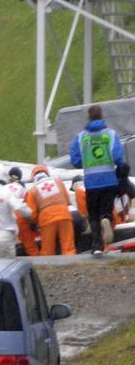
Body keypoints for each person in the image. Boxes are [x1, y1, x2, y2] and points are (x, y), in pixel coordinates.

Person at [69, 105, 124, 254]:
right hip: (109, 180)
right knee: (106, 210)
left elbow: (75, 160)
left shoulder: (81, 137)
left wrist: (86, 163)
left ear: (89, 117)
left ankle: (97, 246)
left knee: (93, 215)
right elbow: (118, 157)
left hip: (91, 182)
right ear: (102, 116)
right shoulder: (110, 135)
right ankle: (106, 218)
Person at [24, 165, 76, 256]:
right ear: (47, 173)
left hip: (47, 219)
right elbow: (67, 200)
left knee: (47, 250)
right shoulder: (58, 182)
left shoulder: (32, 190)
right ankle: (71, 266)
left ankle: (47, 268)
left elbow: (32, 213)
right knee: (68, 246)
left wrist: (34, 223)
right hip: (64, 214)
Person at [6, 166, 39, 256]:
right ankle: (36, 260)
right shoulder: (23, 190)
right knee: (30, 246)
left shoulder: (2, 188)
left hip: (5, 219)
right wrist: (32, 222)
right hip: (19, 217)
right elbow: (28, 207)